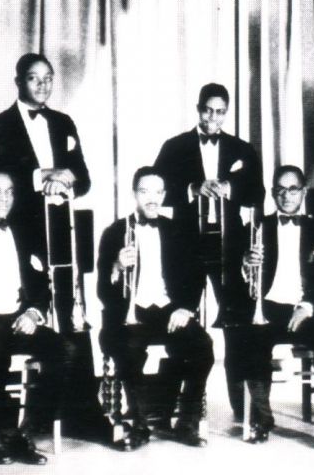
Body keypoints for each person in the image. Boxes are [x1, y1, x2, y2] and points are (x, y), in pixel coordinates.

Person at [153, 83, 264, 420]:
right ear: (198, 109)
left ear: (226, 113)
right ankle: (183, 408)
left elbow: (257, 193)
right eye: (207, 110)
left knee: (237, 323)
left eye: (220, 112)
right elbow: (157, 190)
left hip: (230, 245)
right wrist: (192, 188)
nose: (213, 117)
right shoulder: (174, 147)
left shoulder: (241, 149)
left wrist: (231, 187)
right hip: (185, 244)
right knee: (182, 316)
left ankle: (243, 409)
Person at [231, 165, 314, 448]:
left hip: (306, 309)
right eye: (280, 190)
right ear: (273, 193)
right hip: (268, 307)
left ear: (304, 192)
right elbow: (238, 284)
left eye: (293, 189)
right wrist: (245, 266)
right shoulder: (256, 228)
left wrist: (307, 306)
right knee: (248, 339)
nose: (286, 196)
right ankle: (262, 418)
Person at [96, 166, 213, 450]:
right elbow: (102, 291)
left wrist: (185, 309)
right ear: (134, 194)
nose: (152, 199)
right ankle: (139, 424)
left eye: (158, 192)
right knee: (130, 348)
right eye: (144, 192)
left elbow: (196, 276)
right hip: (130, 313)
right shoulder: (114, 232)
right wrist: (116, 268)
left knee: (202, 346)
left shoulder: (177, 230)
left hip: (168, 311)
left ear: (164, 195)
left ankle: (187, 421)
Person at [0, 53, 91, 325]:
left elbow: (84, 179)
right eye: (34, 79)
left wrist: (66, 180)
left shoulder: (64, 123)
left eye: (48, 79)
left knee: (67, 307)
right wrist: (42, 176)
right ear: (19, 82)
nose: (43, 85)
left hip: (60, 227)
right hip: (19, 228)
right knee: (27, 305)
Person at [0, 170, 75, 465]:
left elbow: (41, 283)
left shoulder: (23, 231)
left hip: (16, 319)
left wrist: (33, 312)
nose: (3, 198)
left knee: (65, 350)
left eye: (9, 191)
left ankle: (26, 429)